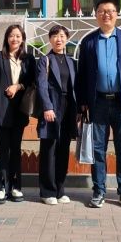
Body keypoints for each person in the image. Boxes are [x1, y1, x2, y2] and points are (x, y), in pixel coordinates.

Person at [76, 0, 121, 209]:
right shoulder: (88, 41)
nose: (106, 14)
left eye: (110, 11)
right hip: (97, 103)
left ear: (116, 14)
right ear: (96, 14)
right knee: (98, 149)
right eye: (102, 11)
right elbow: (81, 74)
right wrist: (82, 102)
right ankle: (99, 191)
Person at [0, 24, 36, 204]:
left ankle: (15, 186)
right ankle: (0, 187)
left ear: (22, 39)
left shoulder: (28, 59)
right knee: (3, 149)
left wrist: (18, 86)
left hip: (19, 110)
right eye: (11, 36)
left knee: (15, 149)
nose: (14, 39)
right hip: (1, 109)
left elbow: (32, 81)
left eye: (18, 36)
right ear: (6, 38)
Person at [36, 25, 78, 205]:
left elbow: (75, 87)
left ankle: (60, 190)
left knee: (63, 150)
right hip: (52, 107)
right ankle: (47, 191)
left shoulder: (72, 62)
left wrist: (78, 111)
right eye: (54, 36)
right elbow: (41, 85)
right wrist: (47, 107)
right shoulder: (44, 60)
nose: (58, 39)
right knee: (49, 150)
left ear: (67, 39)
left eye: (61, 36)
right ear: (50, 39)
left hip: (68, 109)